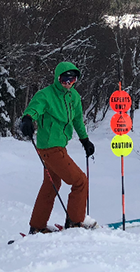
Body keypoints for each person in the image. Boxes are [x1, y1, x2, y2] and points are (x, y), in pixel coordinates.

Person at [19, 61, 96, 233]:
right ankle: (75, 223)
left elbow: (77, 120)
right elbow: (34, 109)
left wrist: (85, 140)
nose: (68, 83)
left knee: (52, 184)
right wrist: (27, 119)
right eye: (64, 79)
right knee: (80, 180)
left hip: (60, 146)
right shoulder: (46, 95)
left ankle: (37, 226)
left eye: (72, 80)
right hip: (50, 147)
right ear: (57, 78)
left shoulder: (74, 97)